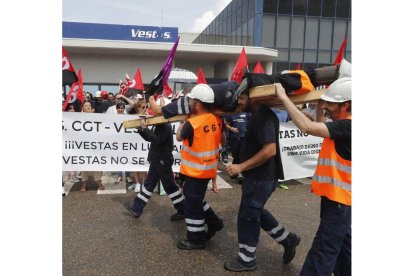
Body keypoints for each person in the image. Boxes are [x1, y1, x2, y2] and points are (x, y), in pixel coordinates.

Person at [274, 77, 352, 276]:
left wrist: (283, 97)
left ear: (347, 105)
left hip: (340, 202)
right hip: (339, 199)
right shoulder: (343, 126)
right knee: (343, 247)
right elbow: (320, 126)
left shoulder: (349, 126)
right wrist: (321, 107)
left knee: (323, 251)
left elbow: (308, 128)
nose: (327, 107)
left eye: (331, 104)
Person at [223, 90, 301, 272]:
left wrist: (241, 167)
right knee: (255, 211)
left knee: (247, 216)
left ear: (255, 98)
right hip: (258, 177)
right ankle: (288, 239)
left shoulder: (263, 117)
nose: (239, 102)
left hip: (262, 178)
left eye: (242, 98)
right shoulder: (258, 115)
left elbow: (270, 150)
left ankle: (246, 259)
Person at [175, 84, 224, 250]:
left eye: (191, 101)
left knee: (192, 205)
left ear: (197, 104)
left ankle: (196, 239)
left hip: (195, 171)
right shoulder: (217, 119)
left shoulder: (192, 123)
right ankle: (214, 222)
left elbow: (179, 136)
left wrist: (185, 119)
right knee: (194, 199)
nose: (189, 104)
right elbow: (222, 139)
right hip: (208, 169)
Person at [123, 96, 185, 221]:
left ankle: (183, 210)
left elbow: (155, 139)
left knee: (169, 187)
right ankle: (137, 208)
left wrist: (144, 129)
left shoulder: (164, 126)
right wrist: (141, 129)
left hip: (162, 160)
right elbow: (150, 138)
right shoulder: (161, 124)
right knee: (150, 185)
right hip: (159, 159)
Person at [224, 112, 250, 184]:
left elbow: (251, 122)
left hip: (244, 138)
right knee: (236, 156)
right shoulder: (230, 114)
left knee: (242, 155)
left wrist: (247, 129)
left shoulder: (246, 113)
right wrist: (231, 128)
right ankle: (234, 172)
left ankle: (241, 174)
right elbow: (226, 124)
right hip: (234, 138)